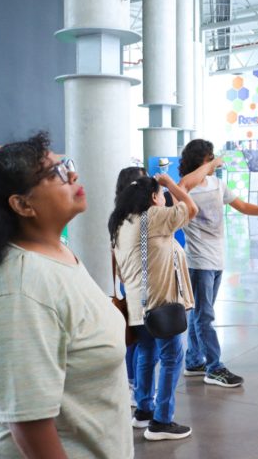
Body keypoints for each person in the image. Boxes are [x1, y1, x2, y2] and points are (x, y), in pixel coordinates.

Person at [0, 132, 133, 458]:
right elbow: (30, 426)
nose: (72, 174)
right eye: (55, 174)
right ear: (22, 204)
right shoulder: (19, 292)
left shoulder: (57, 253)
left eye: (66, 166)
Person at [109, 158, 216, 441]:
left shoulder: (121, 223)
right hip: (160, 303)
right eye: (159, 194)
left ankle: (144, 410)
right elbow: (191, 208)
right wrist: (171, 184)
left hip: (136, 303)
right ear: (153, 197)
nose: (163, 198)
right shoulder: (153, 218)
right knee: (171, 357)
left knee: (146, 352)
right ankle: (162, 421)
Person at [178, 139, 258, 387]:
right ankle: (214, 367)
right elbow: (185, 183)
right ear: (201, 161)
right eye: (209, 158)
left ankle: (193, 360)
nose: (214, 163)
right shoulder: (184, 190)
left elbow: (241, 206)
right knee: (204, 316)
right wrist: (210, 164)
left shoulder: (217, 184)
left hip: (216, 259)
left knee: (200, 314)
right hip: (199, 263)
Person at [114, 166, 148, 405]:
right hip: (141, 286)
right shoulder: (139, 220)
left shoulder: (119, 217)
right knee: (143, 342)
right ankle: (138, 390)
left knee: (135, 339)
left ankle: (131, 383)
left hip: (131, 284)